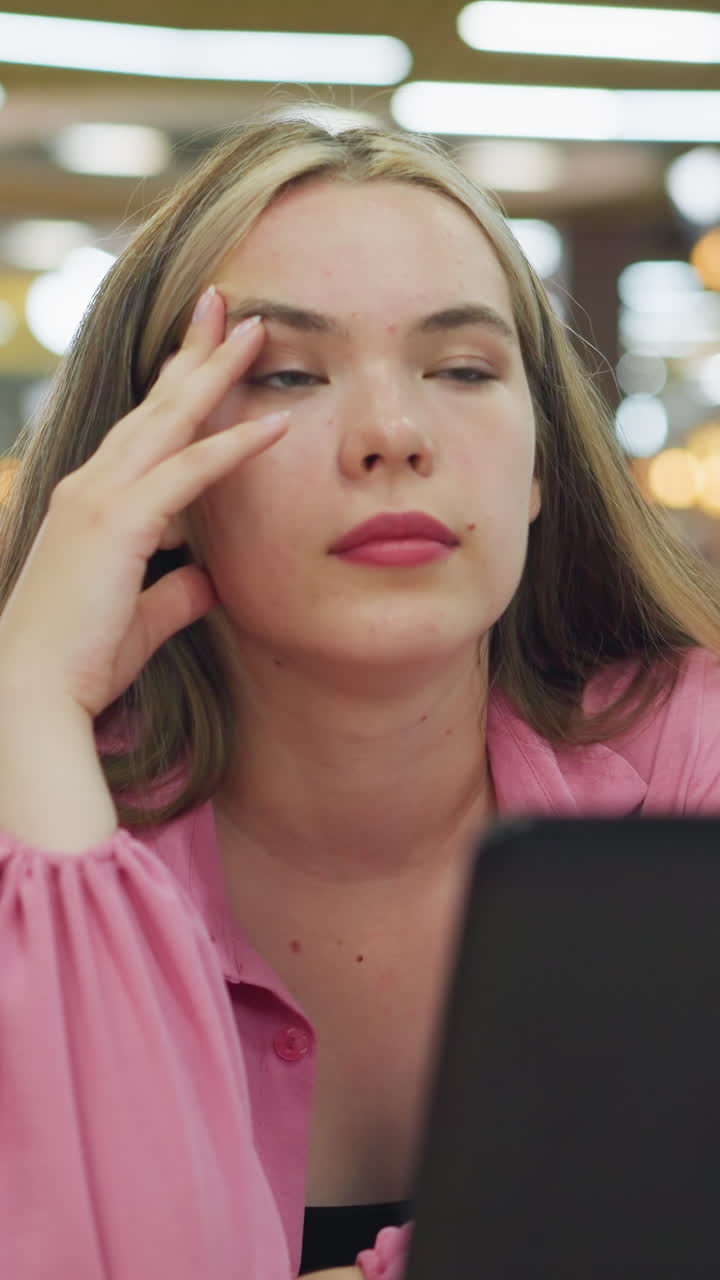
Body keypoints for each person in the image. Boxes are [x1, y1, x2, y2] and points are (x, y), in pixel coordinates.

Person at [1, 111, 720, 1280]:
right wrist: (28, 699)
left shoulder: (697, 774)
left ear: (540, 465)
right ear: (152, 474)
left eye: (464, 369)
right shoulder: (31, 808)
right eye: (285, 373)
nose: (392, 434)